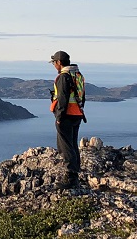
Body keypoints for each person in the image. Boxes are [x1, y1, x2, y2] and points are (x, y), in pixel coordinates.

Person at [49, 50, 84, 189]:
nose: (53, 65)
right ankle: (75, 174)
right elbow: (82, 96)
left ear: (59, 63)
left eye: (54, 62)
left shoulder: (63, 77)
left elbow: (62, 98)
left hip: (66, 116)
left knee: (65, 146)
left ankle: (70, 178)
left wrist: (59, 116)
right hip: (77, 114)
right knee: (73, 144)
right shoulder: (78, 75)